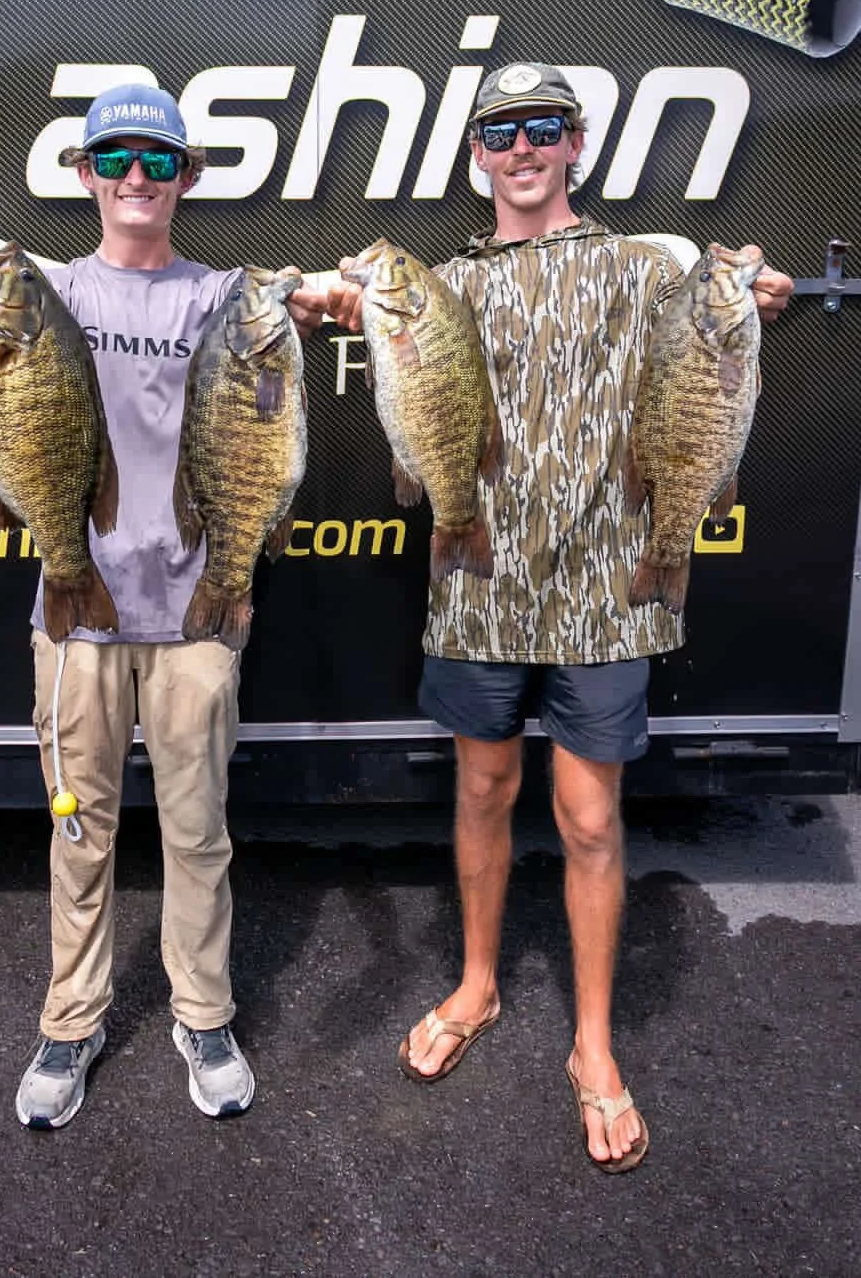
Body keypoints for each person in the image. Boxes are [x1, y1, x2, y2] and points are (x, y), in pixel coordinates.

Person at [326, 62, 793, 1172]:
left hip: (608, 598)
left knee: (588, 821)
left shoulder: (648, 265)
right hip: (478, 591)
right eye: (501, 132)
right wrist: (328, 303)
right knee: (484, 792)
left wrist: (755, 292)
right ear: (476, 155)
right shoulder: (437, 286)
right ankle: (478, 985)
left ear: (576, 142)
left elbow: (729, 293)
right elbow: (331, 310)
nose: (522, 148)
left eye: (542, 127)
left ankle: (593, 1042)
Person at [0, 81, 326, 1129]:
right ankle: (71, 1022)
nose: (137, 178)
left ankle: (204, 1015)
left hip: (197, 613)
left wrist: (319, 301)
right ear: (85, 175)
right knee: (80, 836)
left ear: (187, 178)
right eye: (115, 159)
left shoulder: (221, 297)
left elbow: (303, 305)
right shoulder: (52, 292)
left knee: (198, 835)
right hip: (79, 618)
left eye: (159, 160)